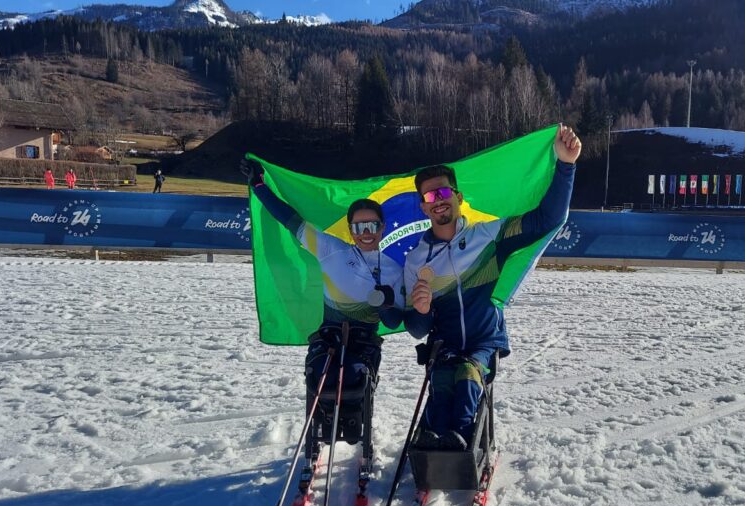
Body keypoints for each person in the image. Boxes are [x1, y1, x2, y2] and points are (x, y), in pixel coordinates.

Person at [404, 124, 581, 450]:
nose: (438, 201)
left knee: (469, 378)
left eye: (443, 192)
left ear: (457, 196)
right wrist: (420, 310)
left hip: (484, 342)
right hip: (445, 346)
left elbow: (547, 219)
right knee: (442, 381)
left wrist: (565, 165)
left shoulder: (488, 235)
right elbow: (417, 329)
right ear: (423, 207)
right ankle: (433, 441)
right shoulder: (415, 261)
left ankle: (458, 442)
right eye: (430, 196)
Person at [243, 159, 403, 461]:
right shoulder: (332, 249)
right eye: (359, 226)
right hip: (329, 338)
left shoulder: (395, 270)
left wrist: (389, 304)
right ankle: (324, 424)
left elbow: (396, 321)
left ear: (381, 228)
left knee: (356, 378)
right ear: (351, 229)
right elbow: (288, 219)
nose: (365, 232)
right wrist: (259, 185)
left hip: (364, 343)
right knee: (319, 374)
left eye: (372, 225)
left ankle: (355, 424)